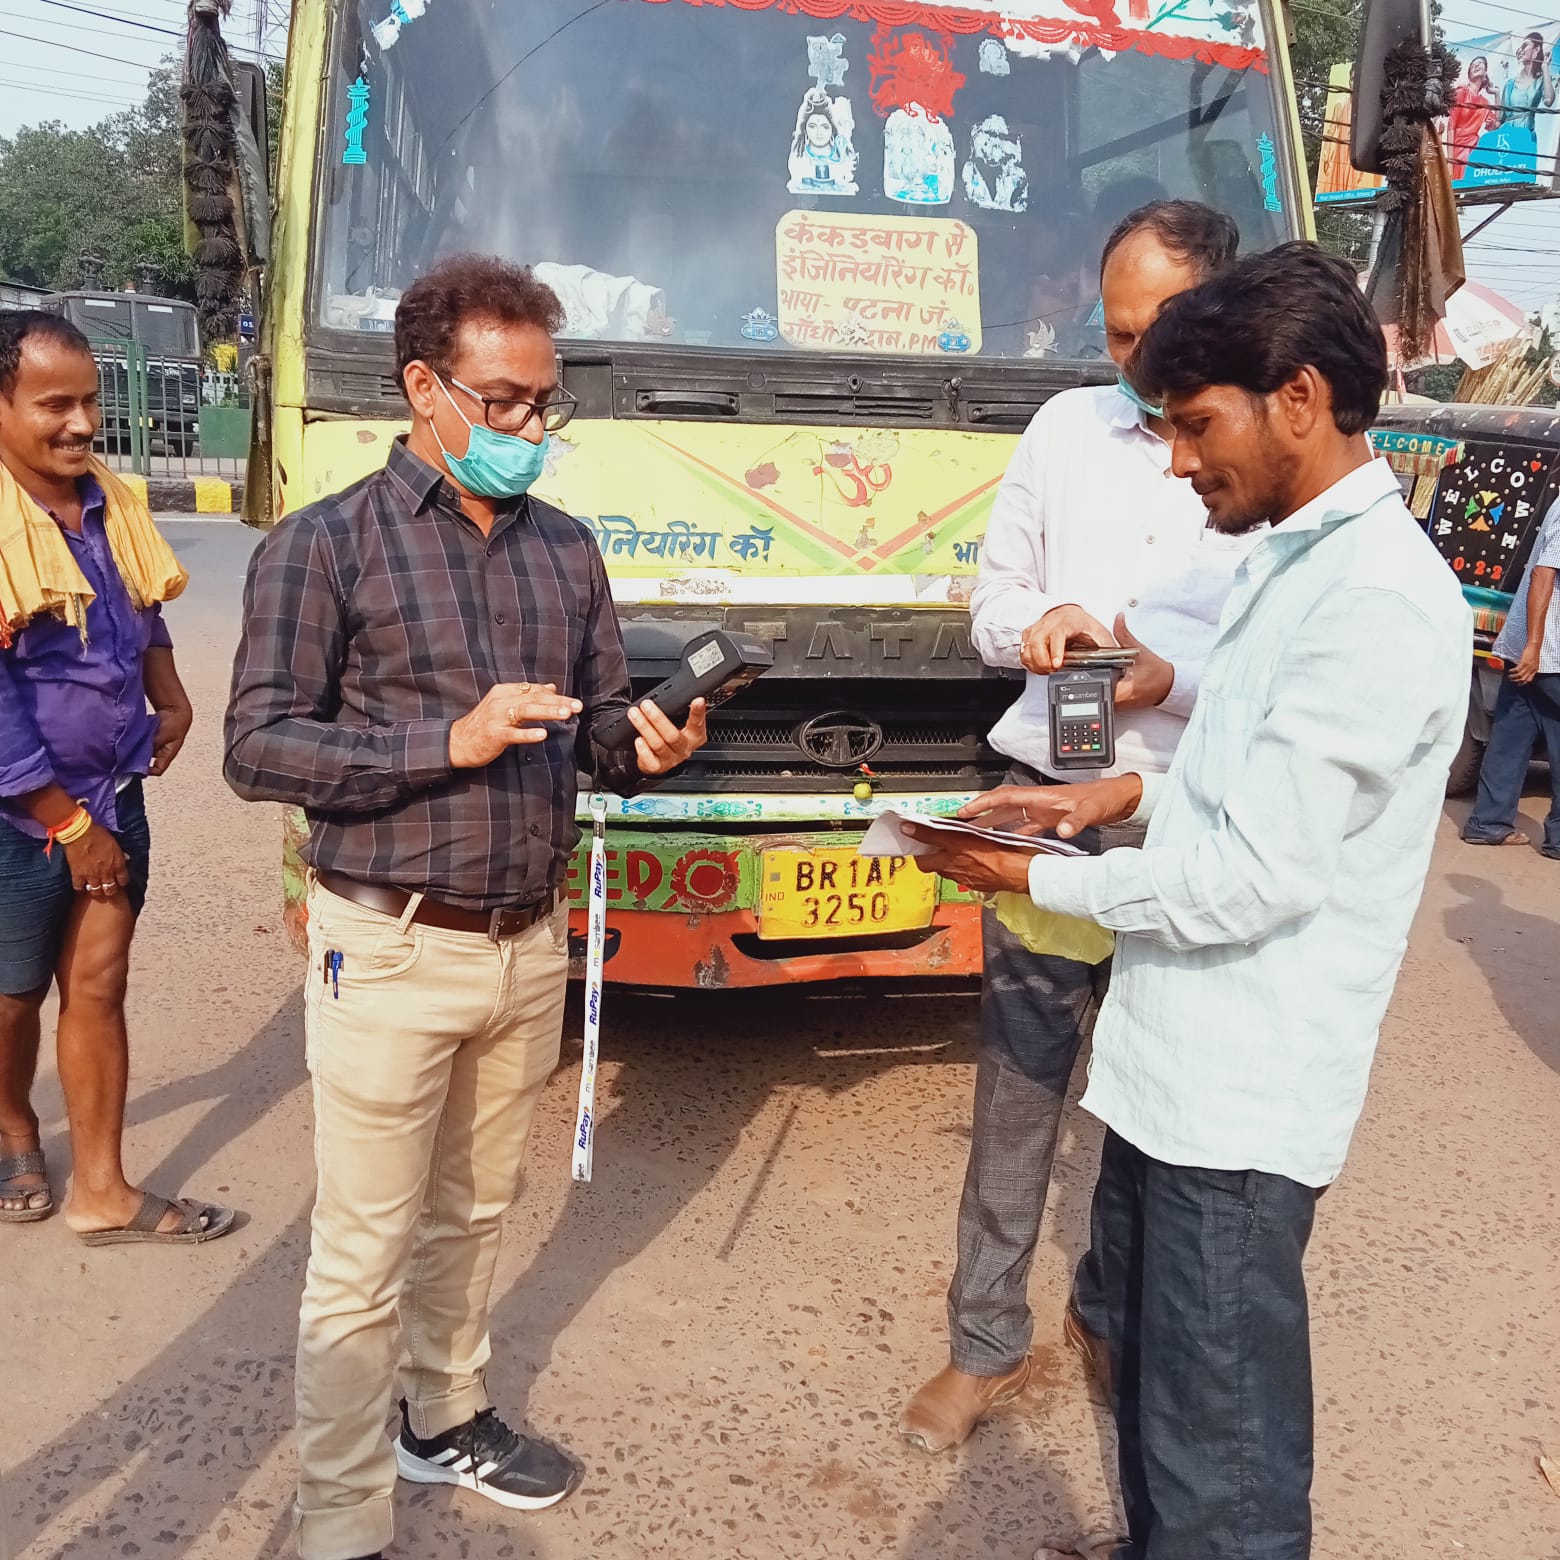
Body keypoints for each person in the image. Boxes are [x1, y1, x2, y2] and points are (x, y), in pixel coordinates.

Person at [903, 242, 1469, 1558]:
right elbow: (1236, 788)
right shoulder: (1293, 561)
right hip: (1173, 1074)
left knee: (1224, 1459)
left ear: (1300, 400)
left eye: (1197, 424)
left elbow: (1254, 875)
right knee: (1165, 1404)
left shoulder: (1378, 598)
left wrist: (1031, 873)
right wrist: (1108, 798)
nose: (1174, 462)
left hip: (1240, 1099)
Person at [224, 254, 708, 1560]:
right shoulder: (324, 545)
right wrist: (449, 741)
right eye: (502, 402)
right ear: (423, 388)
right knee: (362, 1248)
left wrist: (647, 743)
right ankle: (339, 1518)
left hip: (525, 944)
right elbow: (258, 748)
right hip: (386, 945)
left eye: (545, 403)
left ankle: (443, 1417)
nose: (529, 428)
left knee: (479, 1207)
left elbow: (597, 727)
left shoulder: (565, 551)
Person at [898, 200, 1247, 1456]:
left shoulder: (1262, 456)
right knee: (1022, 1084)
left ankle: (1111, 1313)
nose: (1130, 357)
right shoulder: (1065, 427)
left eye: (1155, 329)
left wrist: (1171, 681)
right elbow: (990, 601)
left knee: (1159, 1100)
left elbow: (1282, 673)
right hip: (1054, 809)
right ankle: (983, 1342)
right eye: (1114, 332)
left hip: (1190, 820)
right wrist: (1038, 623)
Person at [0, 310, 232, 1244]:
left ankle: (101, 1187)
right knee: (12, 997)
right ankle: (14, 1127)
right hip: (23, 814)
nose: (82, 424)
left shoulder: (109, 501)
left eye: (91, 401)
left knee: (98, 984)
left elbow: (142, 602)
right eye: (54, 404)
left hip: (112, 791)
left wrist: (167, 692)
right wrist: (68, 824)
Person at [1460, 493, 1560, 858]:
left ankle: (1488, 824)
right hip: (1548, 651)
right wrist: (1535, 646)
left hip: (1529, 649)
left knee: (1510, 738)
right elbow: (1543, 573)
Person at [1446, 54, 1497, 180]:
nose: (1476, 65)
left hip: (1474, 148)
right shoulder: (1461, 92)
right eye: (1473, 65)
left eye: (1480, 63)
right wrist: (1450, 161)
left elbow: (1495, 127)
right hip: (1458, 149)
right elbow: (1451, 127)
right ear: (1469, 73)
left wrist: (1497, 94)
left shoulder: (1484, 102)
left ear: (1485, 73)